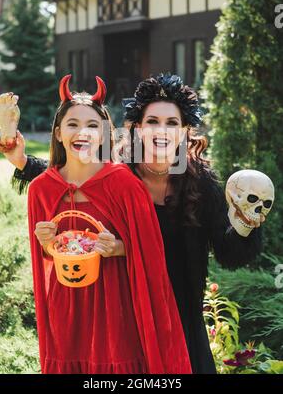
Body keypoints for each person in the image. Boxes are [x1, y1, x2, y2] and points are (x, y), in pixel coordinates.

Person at [0, 73, 264, 374]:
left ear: (185, 130)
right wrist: (20, 160)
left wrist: (245, 222)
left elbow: (228, 252)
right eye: (152, 121)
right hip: (128, 310)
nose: (161, 131)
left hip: (180, 309)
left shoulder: (199, 184)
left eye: (172, 123)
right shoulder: (120, 172)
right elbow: (73, 176)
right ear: (136, 128)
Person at [13, 74, 192, 374]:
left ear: (105, 134)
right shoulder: (41, 189)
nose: (82, 132)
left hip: (115, 310)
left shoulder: (125, 185)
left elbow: (151, 254)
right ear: (58, 133)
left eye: (92, 125)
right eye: (73, 124)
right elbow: (45, 260)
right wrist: (46, 245)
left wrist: (119, 248)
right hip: (66, 308)